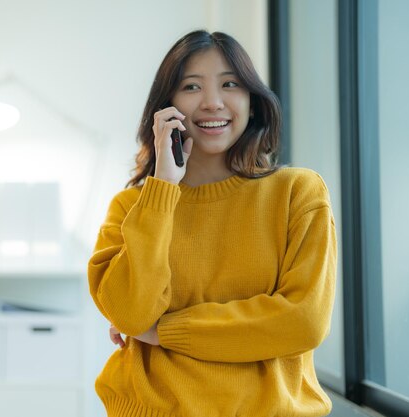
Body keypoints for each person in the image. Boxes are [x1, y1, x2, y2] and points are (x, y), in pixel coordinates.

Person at [87, 29, 337, 417]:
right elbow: (131, 315)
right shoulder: (133, 206)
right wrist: (163, 189)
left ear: (252, 102)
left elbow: (303, 322)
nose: (213, 102)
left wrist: (164, 332)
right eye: (191, 86)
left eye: (230, 84)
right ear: (166, 106)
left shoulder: (297, 193)